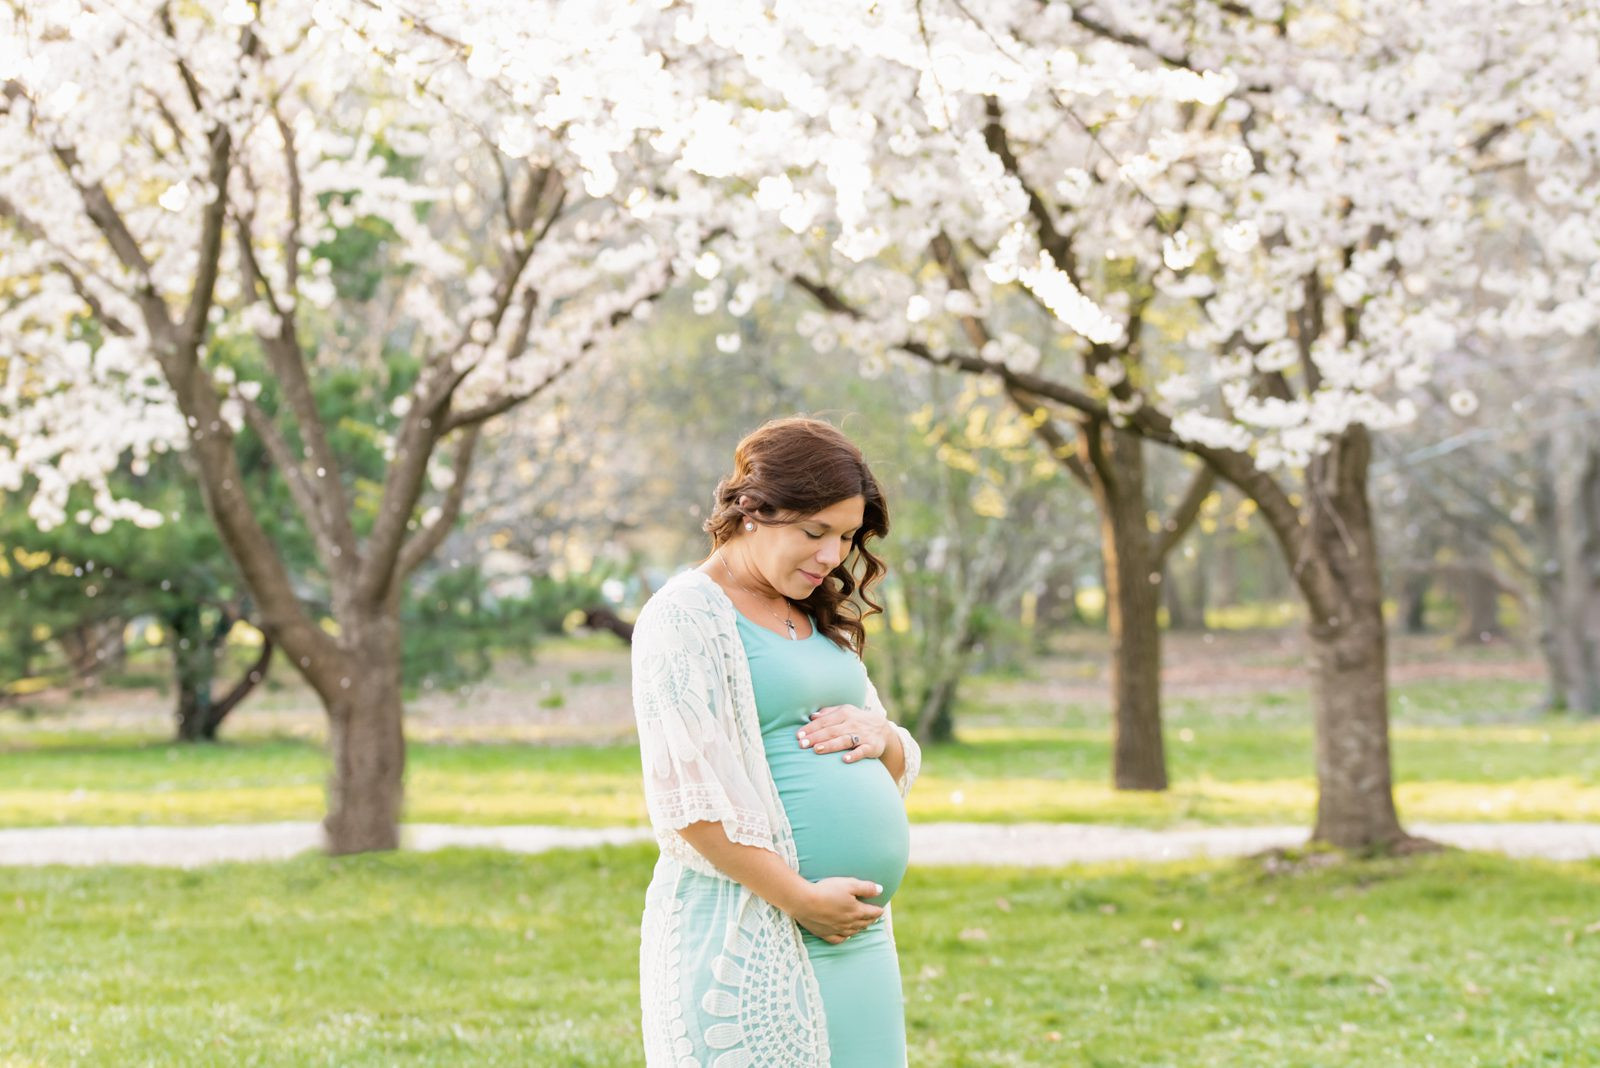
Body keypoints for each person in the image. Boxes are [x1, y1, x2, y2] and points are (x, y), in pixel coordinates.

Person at [632, 416, 922, 1067]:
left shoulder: (816, 615)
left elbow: (883, 748)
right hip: (751, 930)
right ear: (752, 511)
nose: (830, 556)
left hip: (856, 939)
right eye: (814, 532)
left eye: (845, 537)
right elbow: (688, 803)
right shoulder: (684, 615)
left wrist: (885, 736)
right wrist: (802, 899)